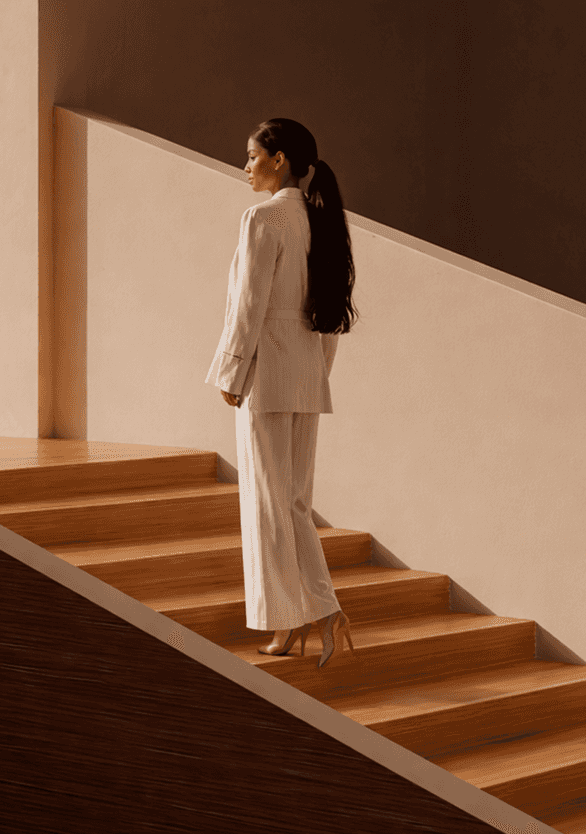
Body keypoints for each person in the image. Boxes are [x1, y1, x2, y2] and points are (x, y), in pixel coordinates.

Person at [205, 118, 358, 669]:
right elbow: (328, 320)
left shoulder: (263, 218)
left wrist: (231, 373)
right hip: (305, 380)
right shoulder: (321, 221)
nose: (246, 166)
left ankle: (297, 616)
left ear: (280, 160)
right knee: (291, 503)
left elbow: (248, 304)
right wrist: (316, 376)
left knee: (269, 505)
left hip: (267, 379)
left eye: (252, 156)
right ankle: (316, 610)